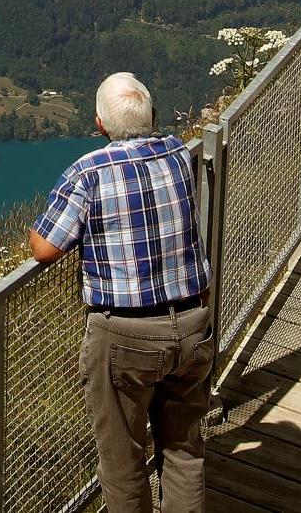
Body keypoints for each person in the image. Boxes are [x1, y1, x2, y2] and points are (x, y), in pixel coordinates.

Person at [30, 73, 210, 513]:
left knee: (123, 459)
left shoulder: (89, 172)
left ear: (99, 124)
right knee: (184, 449)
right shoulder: (177, 154)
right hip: (192, 324)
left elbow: (44, 248)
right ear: (152, 115)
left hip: (125, 337)